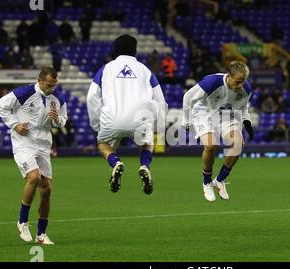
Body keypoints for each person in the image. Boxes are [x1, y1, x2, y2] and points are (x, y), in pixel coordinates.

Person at [87, 34, 167, 195]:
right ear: (135, 50)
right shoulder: (146, 70)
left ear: (115, 49)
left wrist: (96, 123)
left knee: (103, 144)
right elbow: (160, 100)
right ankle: (144, 165)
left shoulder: (106, 69)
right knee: (146, 143)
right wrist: (158, 125)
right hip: (140, 119)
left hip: (112, 118)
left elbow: (91, 97)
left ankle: (115, 162)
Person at [0, 67, 67, 244]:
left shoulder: (58, 98)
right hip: (24, 140)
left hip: (43, 142)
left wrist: (57, 119)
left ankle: (41, 235)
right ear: (40, 80)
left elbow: (64, 120)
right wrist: (14, 124)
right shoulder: (25, 92)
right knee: (33, 177)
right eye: (49, 85)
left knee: (47, 189)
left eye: (54, 85)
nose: (52, 88)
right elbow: (0, 105)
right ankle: (22, 221)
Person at [182, 61, 254, 202]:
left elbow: (244, 106)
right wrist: (186, 120)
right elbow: (188, 97)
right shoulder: (212, 82)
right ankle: (207, 182)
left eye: (243, 81)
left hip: (227, 115)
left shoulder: (246, 88)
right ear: (229, 76)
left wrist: (247, 120)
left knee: (238, 144)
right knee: (210, 145)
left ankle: (219, 180)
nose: (240, 86)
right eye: (237, 82)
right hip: (205, 113)